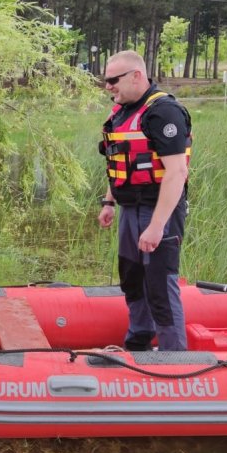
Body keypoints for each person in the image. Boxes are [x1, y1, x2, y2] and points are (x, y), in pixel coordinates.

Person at [96, 50, 192, 352]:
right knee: (132, 278)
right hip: (129, 208)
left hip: (158, 210)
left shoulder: (163, 112)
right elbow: (121, 162)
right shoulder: (121, 111)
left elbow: (176, 172)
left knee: (160, 286)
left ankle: (174, 357)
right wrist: (109, 201)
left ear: (137, 76)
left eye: (114, 80)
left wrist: (156, 227)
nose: (108, 86)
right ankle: (138, 343)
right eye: (105, 80)